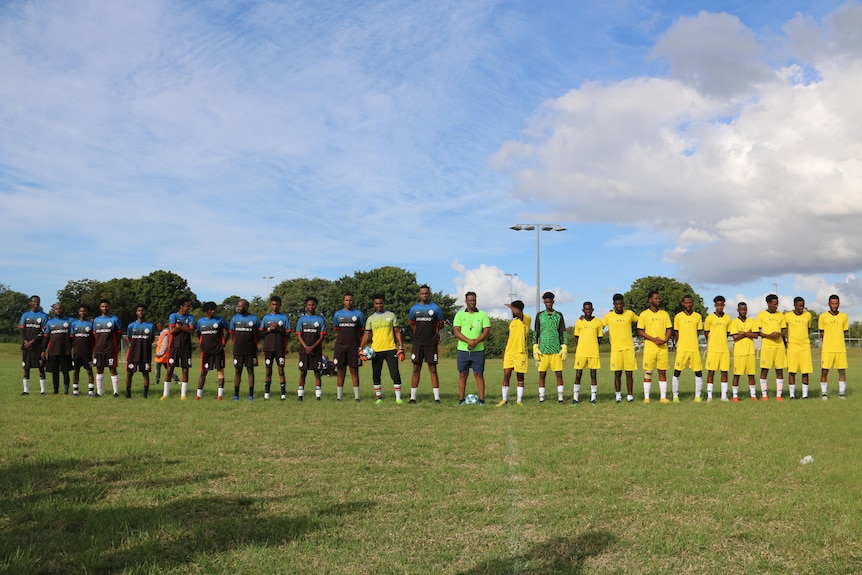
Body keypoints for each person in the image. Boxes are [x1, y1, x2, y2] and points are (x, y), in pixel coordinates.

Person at [360, 293, 405, 404]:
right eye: (376, 303)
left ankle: (398, 398)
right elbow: (366, 335)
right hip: (376, 351)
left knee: (394, 373)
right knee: (376, 374)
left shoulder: (391, 315)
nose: (379, 305)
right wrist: (361, 348)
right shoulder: (371, 319)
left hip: (391, 349)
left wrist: (401, 346)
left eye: (380, 303)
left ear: (384, 303)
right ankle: (379, 398)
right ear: (374, 304)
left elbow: (397, 332)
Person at [408, 285, 446, 404]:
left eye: (426, 293)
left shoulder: (436, 308)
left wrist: (435, 332)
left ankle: (437, 398)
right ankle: (413, 398)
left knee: (433, 368)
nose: (424, 295)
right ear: (419, 295)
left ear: (429, 294)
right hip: (418, 343)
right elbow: (412, 324)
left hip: (431, 343)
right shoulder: (414, 309)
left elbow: (441, 324)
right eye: (422, 293)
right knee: (416, 368)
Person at [453, 291, 491, 405]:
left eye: (474, 300)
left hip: (478, 350)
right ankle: (461, 399)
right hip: (463, 350)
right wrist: (469, 341)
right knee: (463, 374)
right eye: (470, 300)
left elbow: (486, 331)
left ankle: (482, 399)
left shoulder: (483, 314)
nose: (472, 302)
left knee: (479, 374)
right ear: (466, 301)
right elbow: (456, 331)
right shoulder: (459, 315)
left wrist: (476, 342)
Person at [601, 294, 639, 403]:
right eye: (617, 304)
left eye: (621, 303)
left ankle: (630, 396)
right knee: (617, 373)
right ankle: (618, 395)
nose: (619, 306)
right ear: (613, 304)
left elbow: (641, 321)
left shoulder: (630, 314)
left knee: (629, 374)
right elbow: (599, 325)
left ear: (623, 303)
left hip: (629, 348)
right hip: (616, 349)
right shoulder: (609, 316)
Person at [637, 290, 672, 403]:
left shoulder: (664, 314)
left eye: (659, 298)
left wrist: (665, 340)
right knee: (648, 371)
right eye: (656, 298)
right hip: (650, 347)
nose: (658, 300)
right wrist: (653, 339)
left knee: (662, 371)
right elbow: (640, 331)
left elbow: (669, 329)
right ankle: (647, 398)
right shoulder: (644, 314)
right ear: (650, 300)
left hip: (662, 348)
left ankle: (663, 397)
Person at [532, 291, 567, 403]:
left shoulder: (559, 315)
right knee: (542, 374)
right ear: (544, 302)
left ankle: (560, 397)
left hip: (556, 349)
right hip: (543, 349)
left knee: (558, 373)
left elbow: (563, 332)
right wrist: (535, 345)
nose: (548, 304)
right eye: (546, 302)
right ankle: (541, 397)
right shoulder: (540, 315)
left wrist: (564, 345)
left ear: (553, 302)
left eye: (550, 302)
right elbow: (536, 331)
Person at [332, 292, 365, 402]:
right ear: (343, 301)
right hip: (340, 347)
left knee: (354, 371)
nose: (348, 302)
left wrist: (360, 346)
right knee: (341, 371)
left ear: (353, 301)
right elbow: (337, 331)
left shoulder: (358, 314)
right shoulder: (337, 314)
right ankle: (339, 397)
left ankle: (357, 397)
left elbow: (362, 331)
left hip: (353, 347)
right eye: (346, 300)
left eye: (350, 300)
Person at [497, 300, 531, 406]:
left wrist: (511, 307)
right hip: (509, 353)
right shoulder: (512, 322)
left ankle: (519, 400)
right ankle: (504, 399)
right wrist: (504, 351)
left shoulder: (526, 319)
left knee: (520, 377)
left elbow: (518, 313)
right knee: (506, 374)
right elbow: (510, 338)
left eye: (512, 309)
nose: (511, 311)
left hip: (520, 352)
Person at [755, 294, 787, 401]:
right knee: (764, 370)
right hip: (767, 346)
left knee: (779, 371)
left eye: (777, 304)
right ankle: (764, 395)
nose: (776, 306)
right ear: (768, 304)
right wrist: (770, 335)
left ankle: (779, 395)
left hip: (779, 346)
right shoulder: (761, 315)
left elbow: (784, 330)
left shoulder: (781, 315)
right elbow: (758, 332)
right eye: (774, 304)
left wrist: (780, 335)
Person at [163, 297, 196, 400]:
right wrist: (184, 327)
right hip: (174, 346)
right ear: (181, 306)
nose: (188, 308)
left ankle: (183, 395)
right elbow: (171, 331)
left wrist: (179, 327)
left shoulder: (190, 317)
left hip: (186, 347)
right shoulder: (173, 316)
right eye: (187, 306)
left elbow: (191, 331)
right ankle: (165, 394)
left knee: (185, 370)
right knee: (170, 369)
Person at [672, 295, 704, 402]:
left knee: (698, 372)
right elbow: (676, 333)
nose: (688, 305)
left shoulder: (698, 316)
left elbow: (697, 332)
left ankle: (698, 396)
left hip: (694, 348)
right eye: (686, 303)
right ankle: (675, 396)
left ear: (692, 303)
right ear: (683, 303)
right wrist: (681, 343)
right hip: (682, 349)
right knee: (677, 372)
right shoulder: (678, 317)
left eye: (690, 303)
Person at [296, 296, 327, 401]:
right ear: (306, 306)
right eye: (309, 305)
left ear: (316, 306)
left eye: (313, 305)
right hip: (304, 351)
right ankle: (300, 395)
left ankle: (318, 396)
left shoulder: (320, 319)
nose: (311, 307)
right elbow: (299, 335)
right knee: (303, 373)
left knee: (317, 373)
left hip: (316, 351)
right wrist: (306, 347)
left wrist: (312, 347)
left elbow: (322, 336)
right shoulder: (302, 319)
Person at [196, 301, 229, 399]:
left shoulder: (220, 320)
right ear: (206, 310)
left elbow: (229, 331)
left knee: (220, 370)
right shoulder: (201, 321)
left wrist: (224, 343)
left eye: (214, 309)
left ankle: (220, 395)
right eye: (211, 309)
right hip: (206, 351)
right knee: (203, 372)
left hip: (218, 350)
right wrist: (201, 343)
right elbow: (198, 333)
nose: (213, 311)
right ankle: (198, 395)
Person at [818, 294, 849, 400]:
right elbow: (822, 332)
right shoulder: (823, 317)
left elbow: (844, 332)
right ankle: (824, 394)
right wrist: (828, 342)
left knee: (842, 371)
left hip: (840, 349)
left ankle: (841, 394)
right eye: (832, 303)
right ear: (829, 304)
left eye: (836, 303)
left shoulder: (844, 316)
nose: (834, 305)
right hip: (827, 349)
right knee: (824, 371)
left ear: (839, 304)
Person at [260, 296, 291, 400]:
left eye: (277, 304)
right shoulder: (266, 318)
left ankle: (283, 395)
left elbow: (288, 334)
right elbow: (261, 333)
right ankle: (266, 395)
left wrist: (278, 328)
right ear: (270, 305)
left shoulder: (284, 318)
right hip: (268, 348)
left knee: (281, 371)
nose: (275, 306)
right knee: (268, 371)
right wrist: (269, 329)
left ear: (280, 305)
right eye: (273, 304)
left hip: (279, 349)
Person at [230, 298, 260, 400]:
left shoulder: (254, 319)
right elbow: (232, 334)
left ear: (246, 307)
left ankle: (251, 395)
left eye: (240, 306)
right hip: (238, 350)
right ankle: (236, 395)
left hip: (250, 350)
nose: (238, 308)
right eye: (237, 306)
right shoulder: (235, 318)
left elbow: (258, 334)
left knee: (250, 371)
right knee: (237, 371)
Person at [572, 301, 602, 404]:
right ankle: (575, 398)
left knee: (593, 375)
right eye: (586, 309)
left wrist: (593, 346)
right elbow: (576, 337)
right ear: (583, 310)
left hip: (593, 353)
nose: (588, 311)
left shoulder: (598, 322)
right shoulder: (579, 322)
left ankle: (593, 398)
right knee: (578, 375)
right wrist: (582, 347)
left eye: (590, 309)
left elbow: (599, 338)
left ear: (592, 310)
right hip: (581, 353)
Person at [92, 299, 123, 397]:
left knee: (112, 369)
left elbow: (119, 334)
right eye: (103, 306)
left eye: (106, 306)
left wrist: (116, 346)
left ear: (109, 307)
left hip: (110, 349)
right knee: (99, 369)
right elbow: (94, 335)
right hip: (98, 349)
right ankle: (99, 392)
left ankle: (116, 392)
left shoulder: (115, 319)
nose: (105, 308)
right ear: (100, 307)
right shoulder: (96, 320)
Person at [704, 296, 732, 401]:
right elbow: (706, 332)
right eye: (718, 305)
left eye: (722, 305)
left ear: (724, 305)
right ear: (715, 305)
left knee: (724, 372)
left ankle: (724, 396)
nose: (720, 307)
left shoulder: (728, 318)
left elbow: (728, 333)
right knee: (711, 371)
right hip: (713, 349)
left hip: (724, 349)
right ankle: (709, 396)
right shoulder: (709, 318)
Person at [18, 295, 48, 395]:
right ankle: (26, 390)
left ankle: (43, 390)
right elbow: (22, 329)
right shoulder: (25, 315)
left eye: (38, 302)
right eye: (34, 301)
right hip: (27, 346)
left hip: (37, 346)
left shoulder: (44, 316)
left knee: (41, 367)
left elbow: (43, 331)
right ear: (30, 303)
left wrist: (33, 341)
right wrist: (25, 341)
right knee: (26, 368)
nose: (36, 303)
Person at [125, 304, 156, 398]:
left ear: (145, 312)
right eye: (139, 310)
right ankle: (128, 394)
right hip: (133, 353)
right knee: (129, 373)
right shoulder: (131, 325)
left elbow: (151, 339)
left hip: (145, 353)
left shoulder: (150, 326)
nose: (141, 312)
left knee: (145, 374)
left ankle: (145, 395)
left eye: (142, 310)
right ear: (136, 312)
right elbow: (130, 339)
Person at [729, 302, 759, 401]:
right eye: (741, 310)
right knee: (737, 375)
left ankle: (753, 395)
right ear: (738, 310)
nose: (743, 311)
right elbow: (735, 337)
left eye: (745, 309)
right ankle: (735, 396)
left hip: (750, 352)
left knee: (751, 374)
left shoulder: (752, 321)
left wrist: (744, 333)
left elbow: (755, 335)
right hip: (739, 353)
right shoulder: (734, 322)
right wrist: (748, 333)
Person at [42, 303, 73, 395]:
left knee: (65, 371)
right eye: (56, 309)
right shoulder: (50, 322)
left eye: (60, 309)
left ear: (63, 309)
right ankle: (55, 391)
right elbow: (46, 337)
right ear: (54, 310)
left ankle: (66, 391)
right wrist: (43, 350)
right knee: (54, 372)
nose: (58, 310)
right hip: (53, 351)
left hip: (65, 351)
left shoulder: (70, 321)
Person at [785, 296, 813, 399]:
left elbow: (808, 329)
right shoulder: (787, 316)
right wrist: (786, 343)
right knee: (792, 371)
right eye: (799, 306)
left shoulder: (808, 315)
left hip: (805, 346)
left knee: (805, 371)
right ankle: (792, 395)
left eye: (803, 306)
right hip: (792, 346)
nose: (801, 308)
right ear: (794, 305)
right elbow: (784, 331)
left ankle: (805, 395)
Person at [71, 304, 94, 397]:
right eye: (81, 311)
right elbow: (72, 338)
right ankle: (75, 391)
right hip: (76, 352)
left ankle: (91, 392)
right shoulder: (74, 323)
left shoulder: (91, 324)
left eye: (84, 311)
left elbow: (94, 337)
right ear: (78, 312)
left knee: (89, 371)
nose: (83, 313)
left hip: (87, 352)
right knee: (76, 371)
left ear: (87, 312)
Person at [153, 322, 171, 388]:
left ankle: (176, 379)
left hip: (162, 356)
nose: (158, 329)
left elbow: (165, 345)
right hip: (162, 356)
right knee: (163, 369)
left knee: (165, 369)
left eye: (158, 327)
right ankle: (156, 381)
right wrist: (157, 343)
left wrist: (159, 353)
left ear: (161, 326)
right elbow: (161, 343)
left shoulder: (165, 333)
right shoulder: (162, 333)